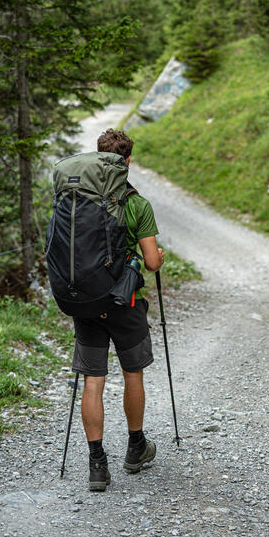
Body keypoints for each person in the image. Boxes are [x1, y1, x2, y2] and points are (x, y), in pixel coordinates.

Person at [71, 128, 165, 492]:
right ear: (127, 161)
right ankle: (135, 448)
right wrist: (155, 256)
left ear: (97, 158)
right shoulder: (136, 203)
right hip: (124, 302)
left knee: (93, 380)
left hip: (87, 302)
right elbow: (153, 263)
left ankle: (97, 465)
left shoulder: (79, 201)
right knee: (132, 373)